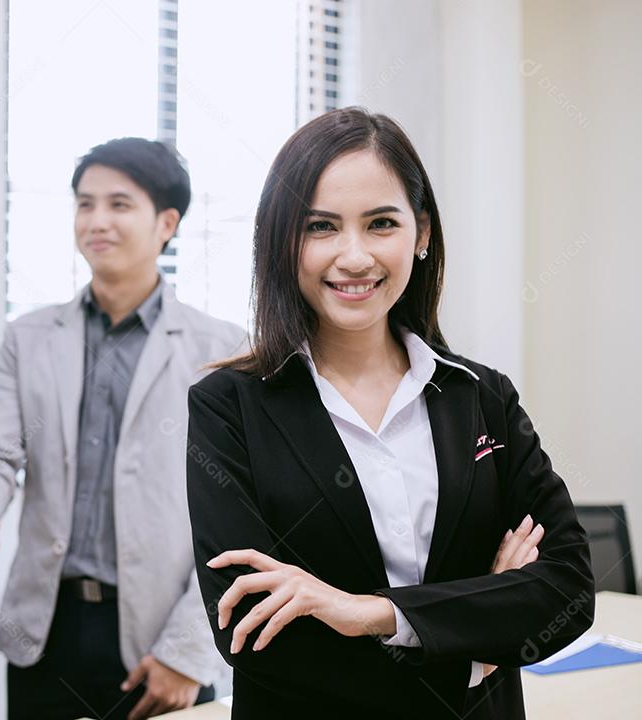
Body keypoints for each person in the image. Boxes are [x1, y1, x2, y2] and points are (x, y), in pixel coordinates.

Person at [185, 107, 594, 719]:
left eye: (381, 223)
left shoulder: (483, 397)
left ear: (420, 233)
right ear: (282, 241)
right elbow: (254, 631)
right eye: (321, 227)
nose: (354, 257)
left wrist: (368, 613)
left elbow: (567, 586)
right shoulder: (228, 408)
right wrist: (475, 650)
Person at [0, 137, 245, 720]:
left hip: (161, 639)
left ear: (167, 223)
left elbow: (241, 515)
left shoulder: (220, 348)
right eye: (85, 204)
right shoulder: (29, 337)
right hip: (44, 632)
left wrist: (189, 652)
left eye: (119, 204)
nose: (96, 221)